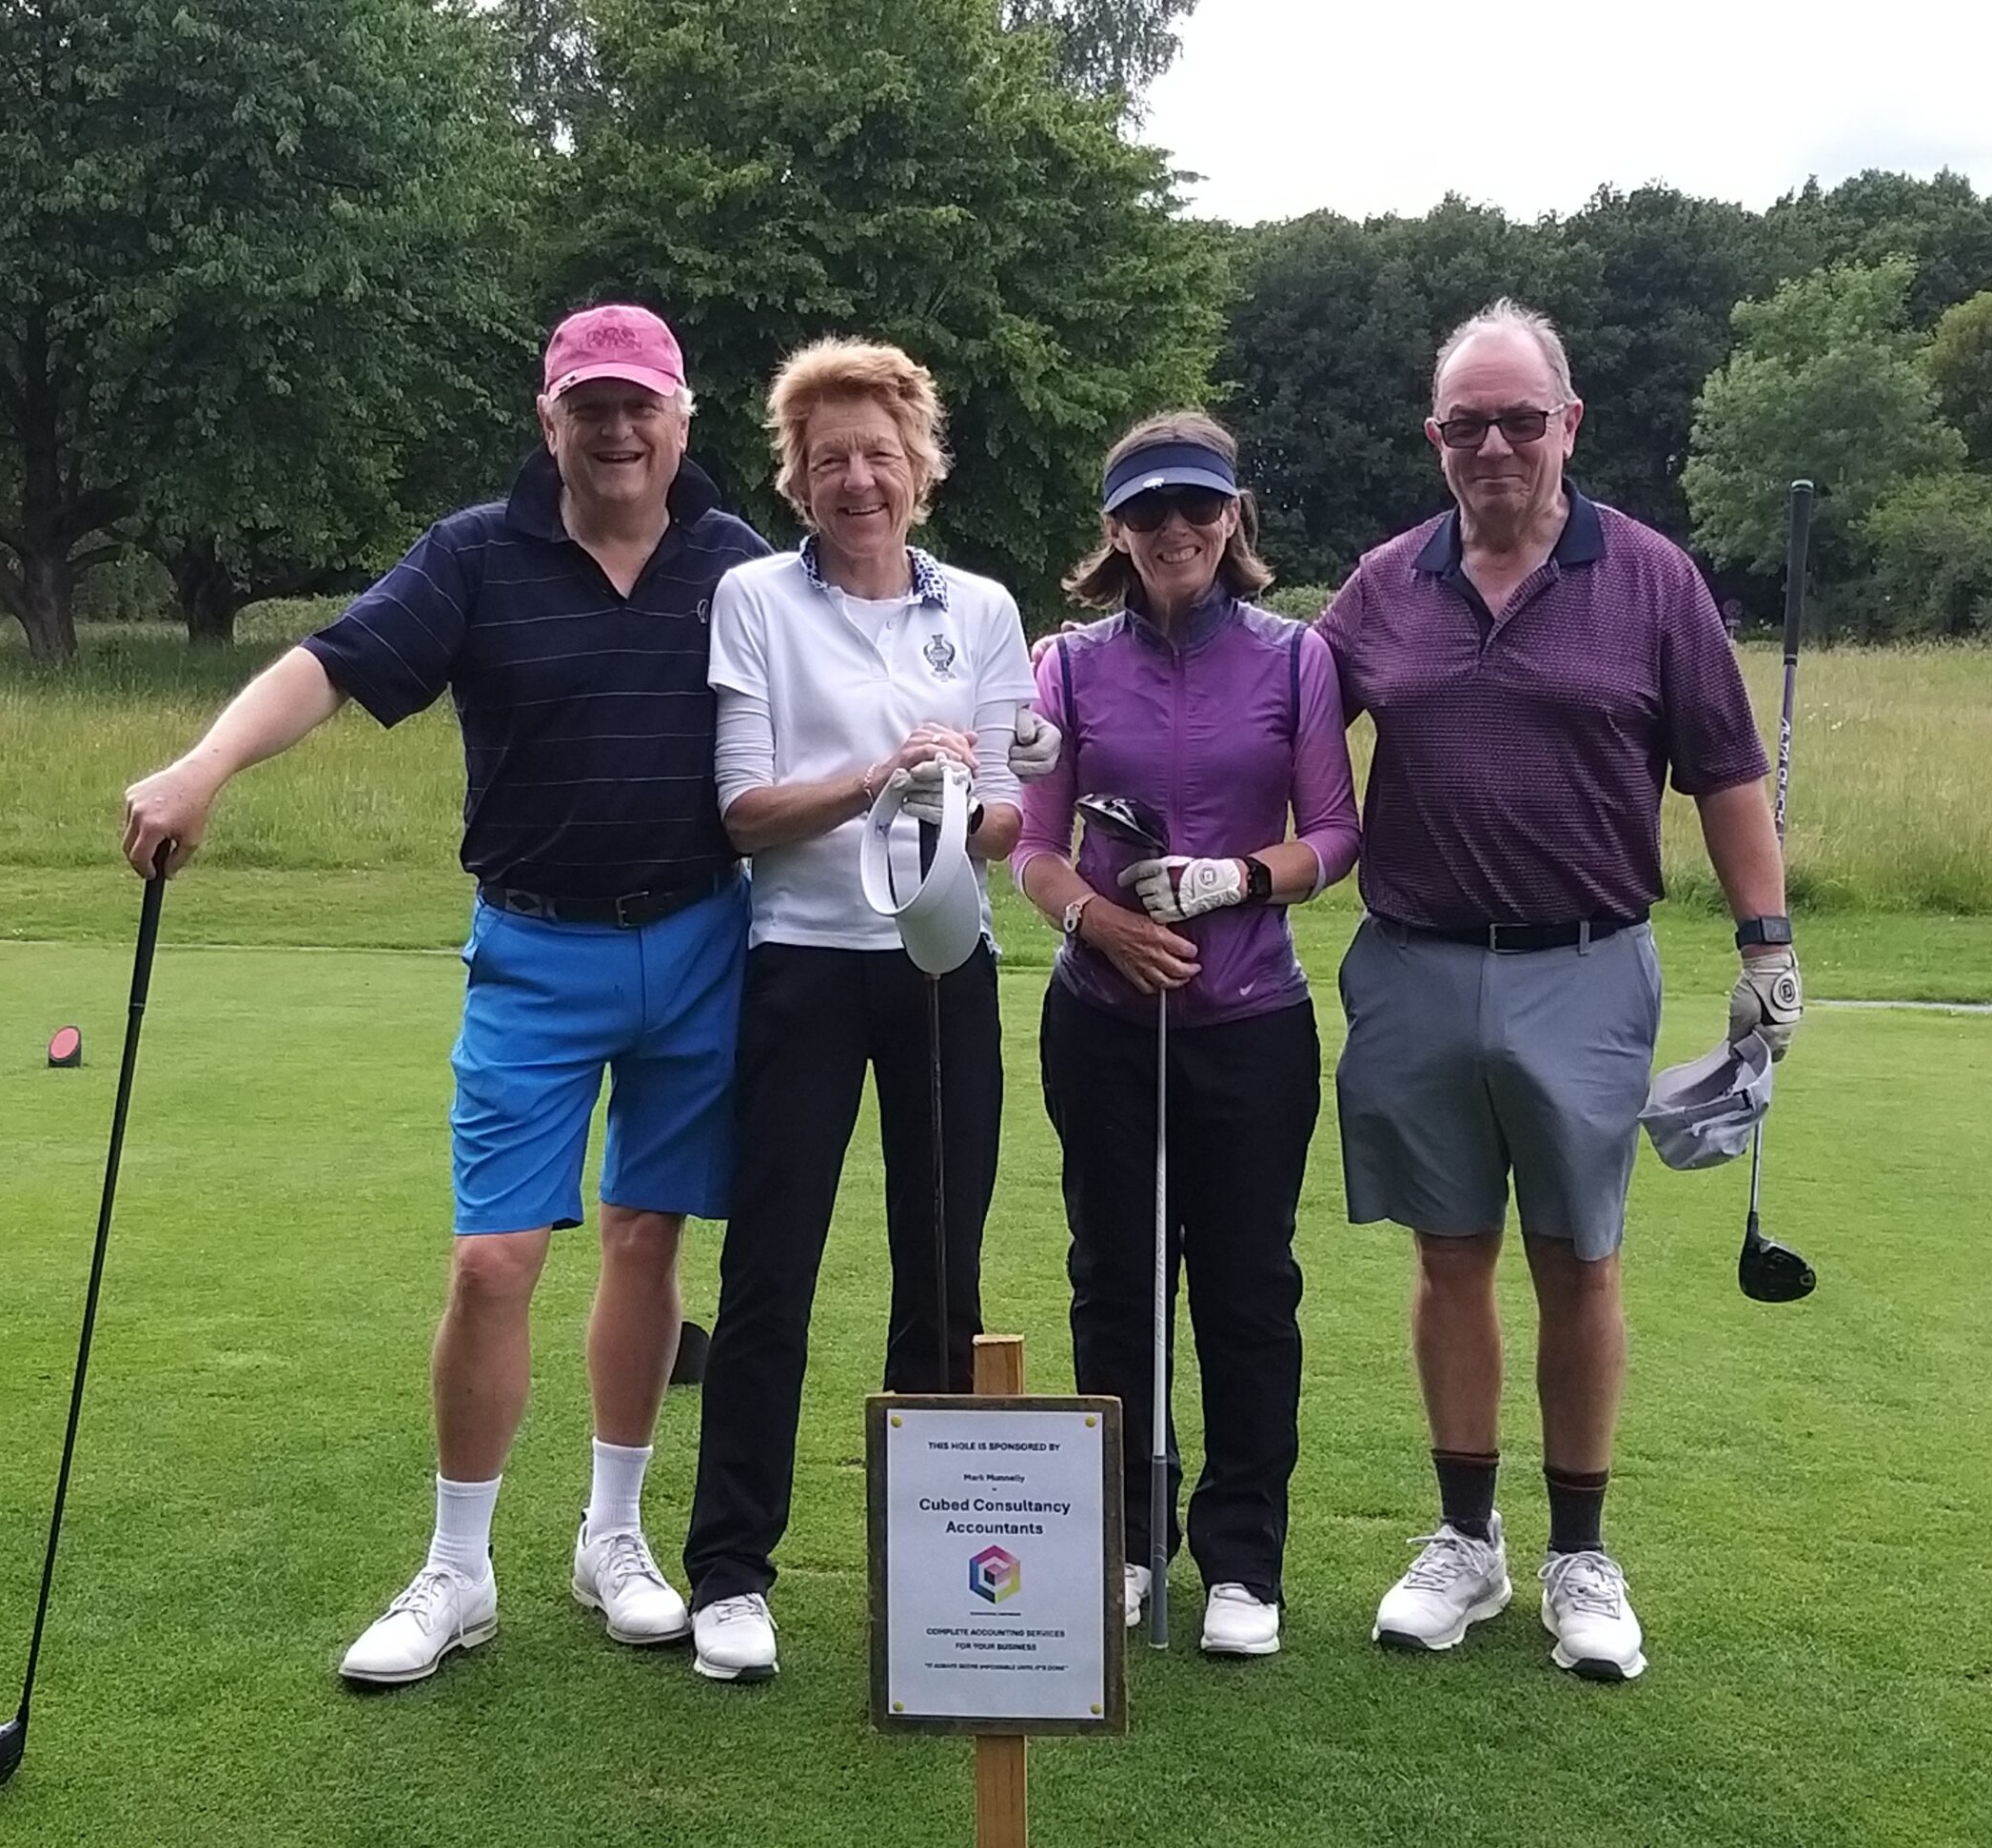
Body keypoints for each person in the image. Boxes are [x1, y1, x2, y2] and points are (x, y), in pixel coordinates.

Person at [121, 304, 773, 1684]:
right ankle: (458, 1568)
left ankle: (613, 1536)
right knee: (494, 1258)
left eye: (637, 402)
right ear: (550, 420)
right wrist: (203, 767)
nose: (614, 427)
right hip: (535, 951)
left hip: (705, 935)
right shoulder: (478, 553)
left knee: (648, 1239)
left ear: (682, 419)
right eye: (587, 404)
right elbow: (334, 666)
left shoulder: (737, 565)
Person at [1317, 300, 1802, 1681]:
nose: (1492, 446)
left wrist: (1766, 944)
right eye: (1465, 423)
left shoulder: (1650, 578)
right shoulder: (1383, 586)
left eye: (1519, 419)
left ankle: (1579, 1553)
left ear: (1568, 425)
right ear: (1435, 438)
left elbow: (1723, 772)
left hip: (1586, 964)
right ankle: (1465, 1540)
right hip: (1412, 961)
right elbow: (1274, 718)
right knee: (1448, 1250)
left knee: (1577, 1255)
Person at [682, 339, 1043, 1683]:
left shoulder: (988, 613)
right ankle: (731, 1571)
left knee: (941, 1268)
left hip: (944, 963)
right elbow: (742, 811)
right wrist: (877, 776)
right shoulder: (755, 599)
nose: (857, 479)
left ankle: (937, 1572)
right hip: (804, 959)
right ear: (798, 472)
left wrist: (955, 796)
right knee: (771, 1266)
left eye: (880, 455)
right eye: (829, 457)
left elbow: (1013, 814)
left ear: (922, 468)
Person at [1013, 412, 1359, 1658]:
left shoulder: (1294, 657)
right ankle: (1124, 1541)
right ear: (1115, 529)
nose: (1176, 531)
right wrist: (1102, 921)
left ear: (1235, 518)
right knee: (1115, 1282)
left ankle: (1243, 1561)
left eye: (1199, 508)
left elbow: (1335, 830)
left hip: (1251, 1022)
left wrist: (1234, 882)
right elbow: (1037, 853)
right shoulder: (1064, 669)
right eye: (1149, 511)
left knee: (1248, 1288)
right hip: (1102, 1022)